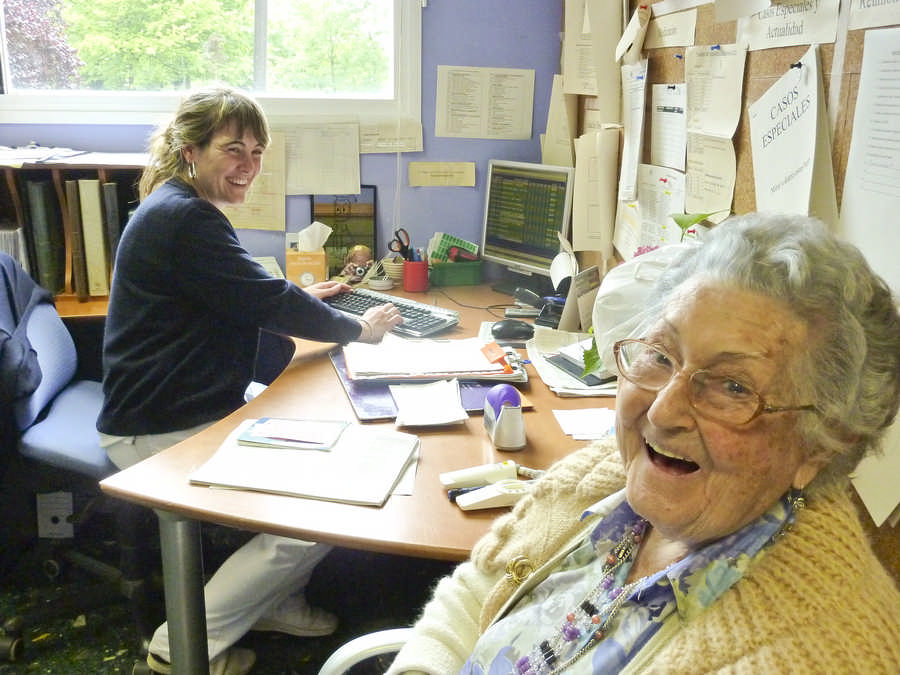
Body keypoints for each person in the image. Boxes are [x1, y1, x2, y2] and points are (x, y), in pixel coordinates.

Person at [387, 213, 900, 674]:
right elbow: (477, 591)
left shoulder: (813, 655)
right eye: (660, 354)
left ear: (823, 446)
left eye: (733, 387)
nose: (661, 411)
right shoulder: (629, 468)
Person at [97, 86, 402, 675]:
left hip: (178, 405)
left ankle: (272, 602)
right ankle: (178, 648)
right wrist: (359, 330)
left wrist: (302, 302)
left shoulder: (176, 206)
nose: (249, 165)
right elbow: (265, 299)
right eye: (233, 149)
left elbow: (238, 297)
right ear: (191, 151)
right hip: (159, 426)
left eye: (257, 152)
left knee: (314, 447)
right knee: (321, 508)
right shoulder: (185, 217)